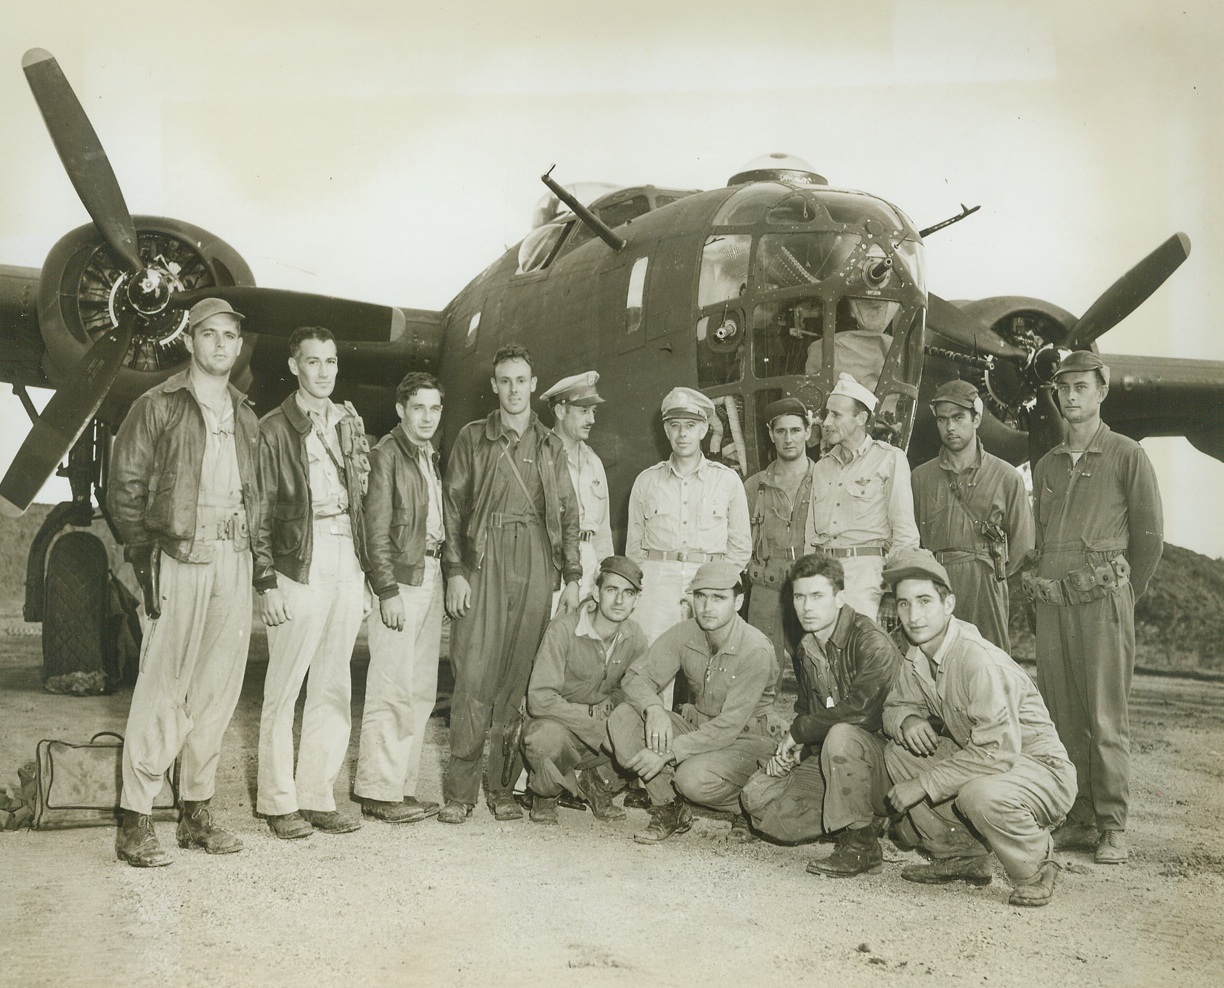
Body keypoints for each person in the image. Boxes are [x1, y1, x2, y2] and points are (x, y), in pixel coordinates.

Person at [810, 549, 1076, 909]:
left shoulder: (976, 659)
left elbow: (997, 752)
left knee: (977, 795)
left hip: (1039, 769)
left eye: (924, 601)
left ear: (948, 603)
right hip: (994, 761)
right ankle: (961, 856)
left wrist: (924, 784)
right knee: (899, 752)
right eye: (904, 604)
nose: (913, 616)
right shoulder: (918, 653)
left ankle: (1037, 864)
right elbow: (893, 708)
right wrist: (908, 720)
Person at [108, 298, 259, 867]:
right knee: (163, 687)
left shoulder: (245, 414)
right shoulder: (159, 405)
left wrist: (259, 563)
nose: (221, 345)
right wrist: (142, 552)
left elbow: (259, 492)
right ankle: (136, 820)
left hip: (234, 555)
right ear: (189, 341)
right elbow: (126, 484)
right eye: (209, 334)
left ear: (239, 347)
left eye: (230, 336)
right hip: (179, 554)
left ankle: (197, 812)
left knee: (218, 691)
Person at [1027, 350, 1164, 865]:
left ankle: (1112, 824)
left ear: (1101, 391)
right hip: (1054, 605)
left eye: (1081, 387)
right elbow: (1040, 540)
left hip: (1103, 602)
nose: (1070, 396)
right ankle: (1078, 816)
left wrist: (1122, 595)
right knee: (1062, 716)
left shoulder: (1128, 455)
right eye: (1063, 388)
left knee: (1106, 717)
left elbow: (1149, 540)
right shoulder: (1047, 464)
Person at [440, 343, 583, 824]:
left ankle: (501, 787)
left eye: (521, 379)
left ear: (533, 384)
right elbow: (453, 507)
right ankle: (460, 792)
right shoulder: (473, 437)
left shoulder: (550, 445)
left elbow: (566, 511)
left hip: (537, 559)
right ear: (495, 385)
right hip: (486, 558)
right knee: (474, 674)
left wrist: (573, 576)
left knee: (518, 678)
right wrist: (456, 572)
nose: (513, 388)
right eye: (504, 380)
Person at [254, 326, 370, 839]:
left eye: (331, 362)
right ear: (294, 366)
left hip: (346, 552)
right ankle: (279, 802)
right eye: (313, 362)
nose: (324, 372)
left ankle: (317, 795)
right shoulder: (274, 427)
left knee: (334, 680)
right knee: (285, 685)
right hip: (299, 558)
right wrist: (266, 582)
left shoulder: (348, 421)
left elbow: (361, 499)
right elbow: (257, 511)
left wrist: (364, 571)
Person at [607, 562, 776, 844]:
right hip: (700, 728)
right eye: (701, 596)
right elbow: (635, 678)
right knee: (624, 719)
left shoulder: (755, 648)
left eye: (719, 598)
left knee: (692, 779)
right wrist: (654, 708)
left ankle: (747, 806)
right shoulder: (687, 632)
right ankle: (670, 808)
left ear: (739, 601)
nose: (707, 606)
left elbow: (729, 726)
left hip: (746, 739)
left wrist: (668, 751)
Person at [739, 553, 901, 844]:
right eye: (799, 597)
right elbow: (807, 710)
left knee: (842, 734)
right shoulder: (807, 646)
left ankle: (860, 842)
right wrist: (794, 754)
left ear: (839, 598)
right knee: (759, 802)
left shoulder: (870, 641)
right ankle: (857, 818)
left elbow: (863, 714)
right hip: (834, 758)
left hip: (885, 764)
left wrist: (801, 732)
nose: (807, 607)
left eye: (817, 596)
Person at [352, 372, 446, 824]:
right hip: (403, 582)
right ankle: (377, 791)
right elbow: (375, 529)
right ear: (400, 410)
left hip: (430, 572)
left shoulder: (428, 456)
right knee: (391, 687)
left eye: (434, 408)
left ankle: (401, 789)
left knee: (419, 690)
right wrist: (385, 589)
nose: (427, 417)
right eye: (418, 408)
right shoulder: (387, 454)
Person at [626, 386, 751, 708]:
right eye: (675, 425)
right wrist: (651, 584)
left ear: (704, 428)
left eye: (691, 426)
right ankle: (652, 744)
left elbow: (739, 548)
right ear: (666, 429)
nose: (682, 434)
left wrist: (719, 587)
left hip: (707, 584)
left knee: (713, 671)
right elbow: (634, 549)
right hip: (658, 584)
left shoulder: (727, 481)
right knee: (653, 669)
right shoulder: (646, 481)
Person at [523, 556, 649, 826]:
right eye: (612, 590)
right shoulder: (564, 629)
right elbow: (540, 699)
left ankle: (598, 785)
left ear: (636, 601)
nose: (619, 601)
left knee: (644, 730)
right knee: (545, 739)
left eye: (628, 593)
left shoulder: (635, 637)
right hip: (559, 724)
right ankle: (546, 793)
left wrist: (619, 722)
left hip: (598, 729)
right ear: (596, 592)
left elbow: (635, 692)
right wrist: (597, 730)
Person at [911, 380, 1035, 650]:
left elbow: (1024, 545)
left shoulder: (1007, 477)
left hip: (985, 586)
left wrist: (989, 571)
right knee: (932, 665)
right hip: (935, 584)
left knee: (988, 666)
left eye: (958, 418)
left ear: (976, 418)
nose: (950, 427)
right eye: (942, 420)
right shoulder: (920, 478)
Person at [806, 373, 919, 620]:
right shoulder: (823, 466)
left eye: (836, 414)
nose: (826, 422)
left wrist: (893, 589)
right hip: (823, 574)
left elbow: (905, 533)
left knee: (859, 651)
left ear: (861, 418)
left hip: (866, 578)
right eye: (827, 414)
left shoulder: (889, 459)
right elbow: (810, 535)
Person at [743, 397, 817, 676]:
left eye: (796, 430)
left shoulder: (824, 479)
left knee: (816, 669)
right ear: (770, 434)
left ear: (808, 432)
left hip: (810, 582)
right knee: (761, 668)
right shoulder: (755, 485)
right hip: (766, 586)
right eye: (781, 431)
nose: (789, 439)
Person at [540, 371, 614, 604]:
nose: (592, 419)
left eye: (593, 411)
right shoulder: (539, 457)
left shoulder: (594, 462)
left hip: (590, 566)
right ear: (561, 411)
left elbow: (603, 530)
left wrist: (606, 575)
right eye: (584, 411)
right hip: (551, 564)